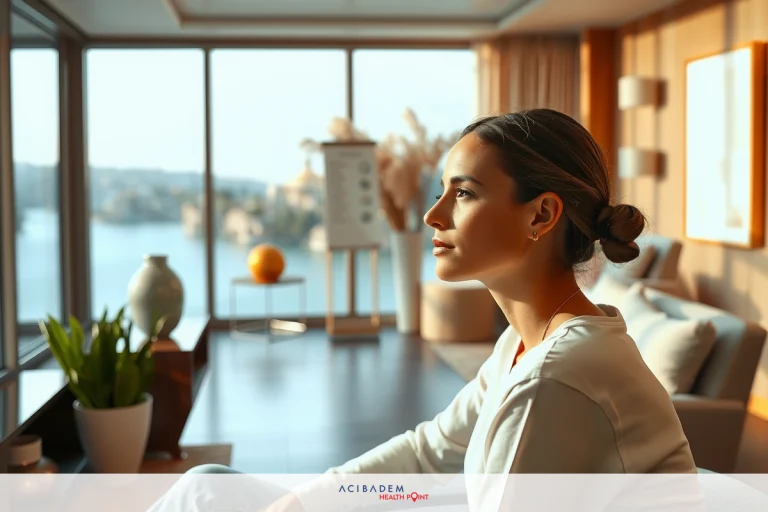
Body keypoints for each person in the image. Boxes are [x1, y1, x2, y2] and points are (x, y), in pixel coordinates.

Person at [149, 109, 697, 511]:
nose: (434, 215)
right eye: (442, 190)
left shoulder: (558, 377)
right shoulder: (526, 344)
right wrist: (302, 501)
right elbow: (430, 452)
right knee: (208, 484)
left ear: (541, 215)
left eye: (463, 193)